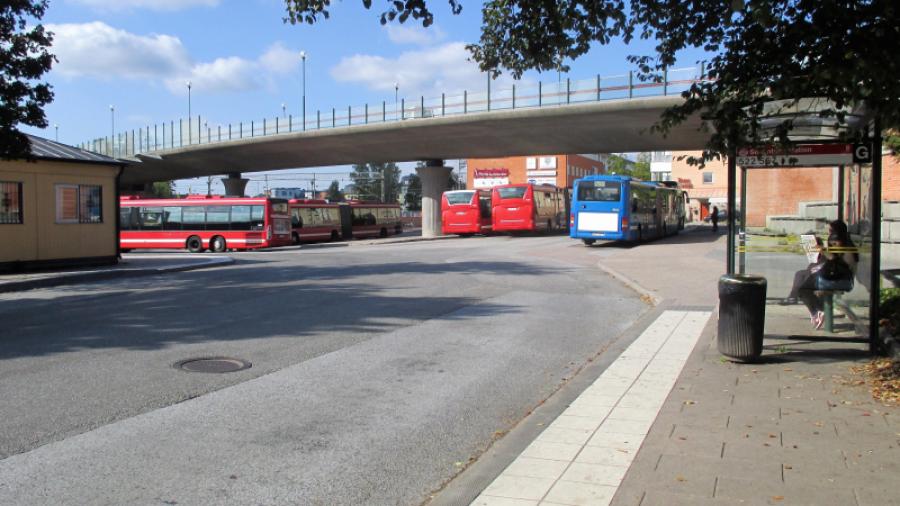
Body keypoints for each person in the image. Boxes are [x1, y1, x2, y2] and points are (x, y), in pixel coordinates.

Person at [785, 220, 858, 329]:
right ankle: (814, 309)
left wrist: (824, 253)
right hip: (833, 273)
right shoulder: (838, 241)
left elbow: (842, 265)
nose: (829, 233)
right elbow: (833, 260)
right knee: (802, 276)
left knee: (804, 284)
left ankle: (818, 309)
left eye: (831, 230)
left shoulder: (846, 245)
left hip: (840, 278)